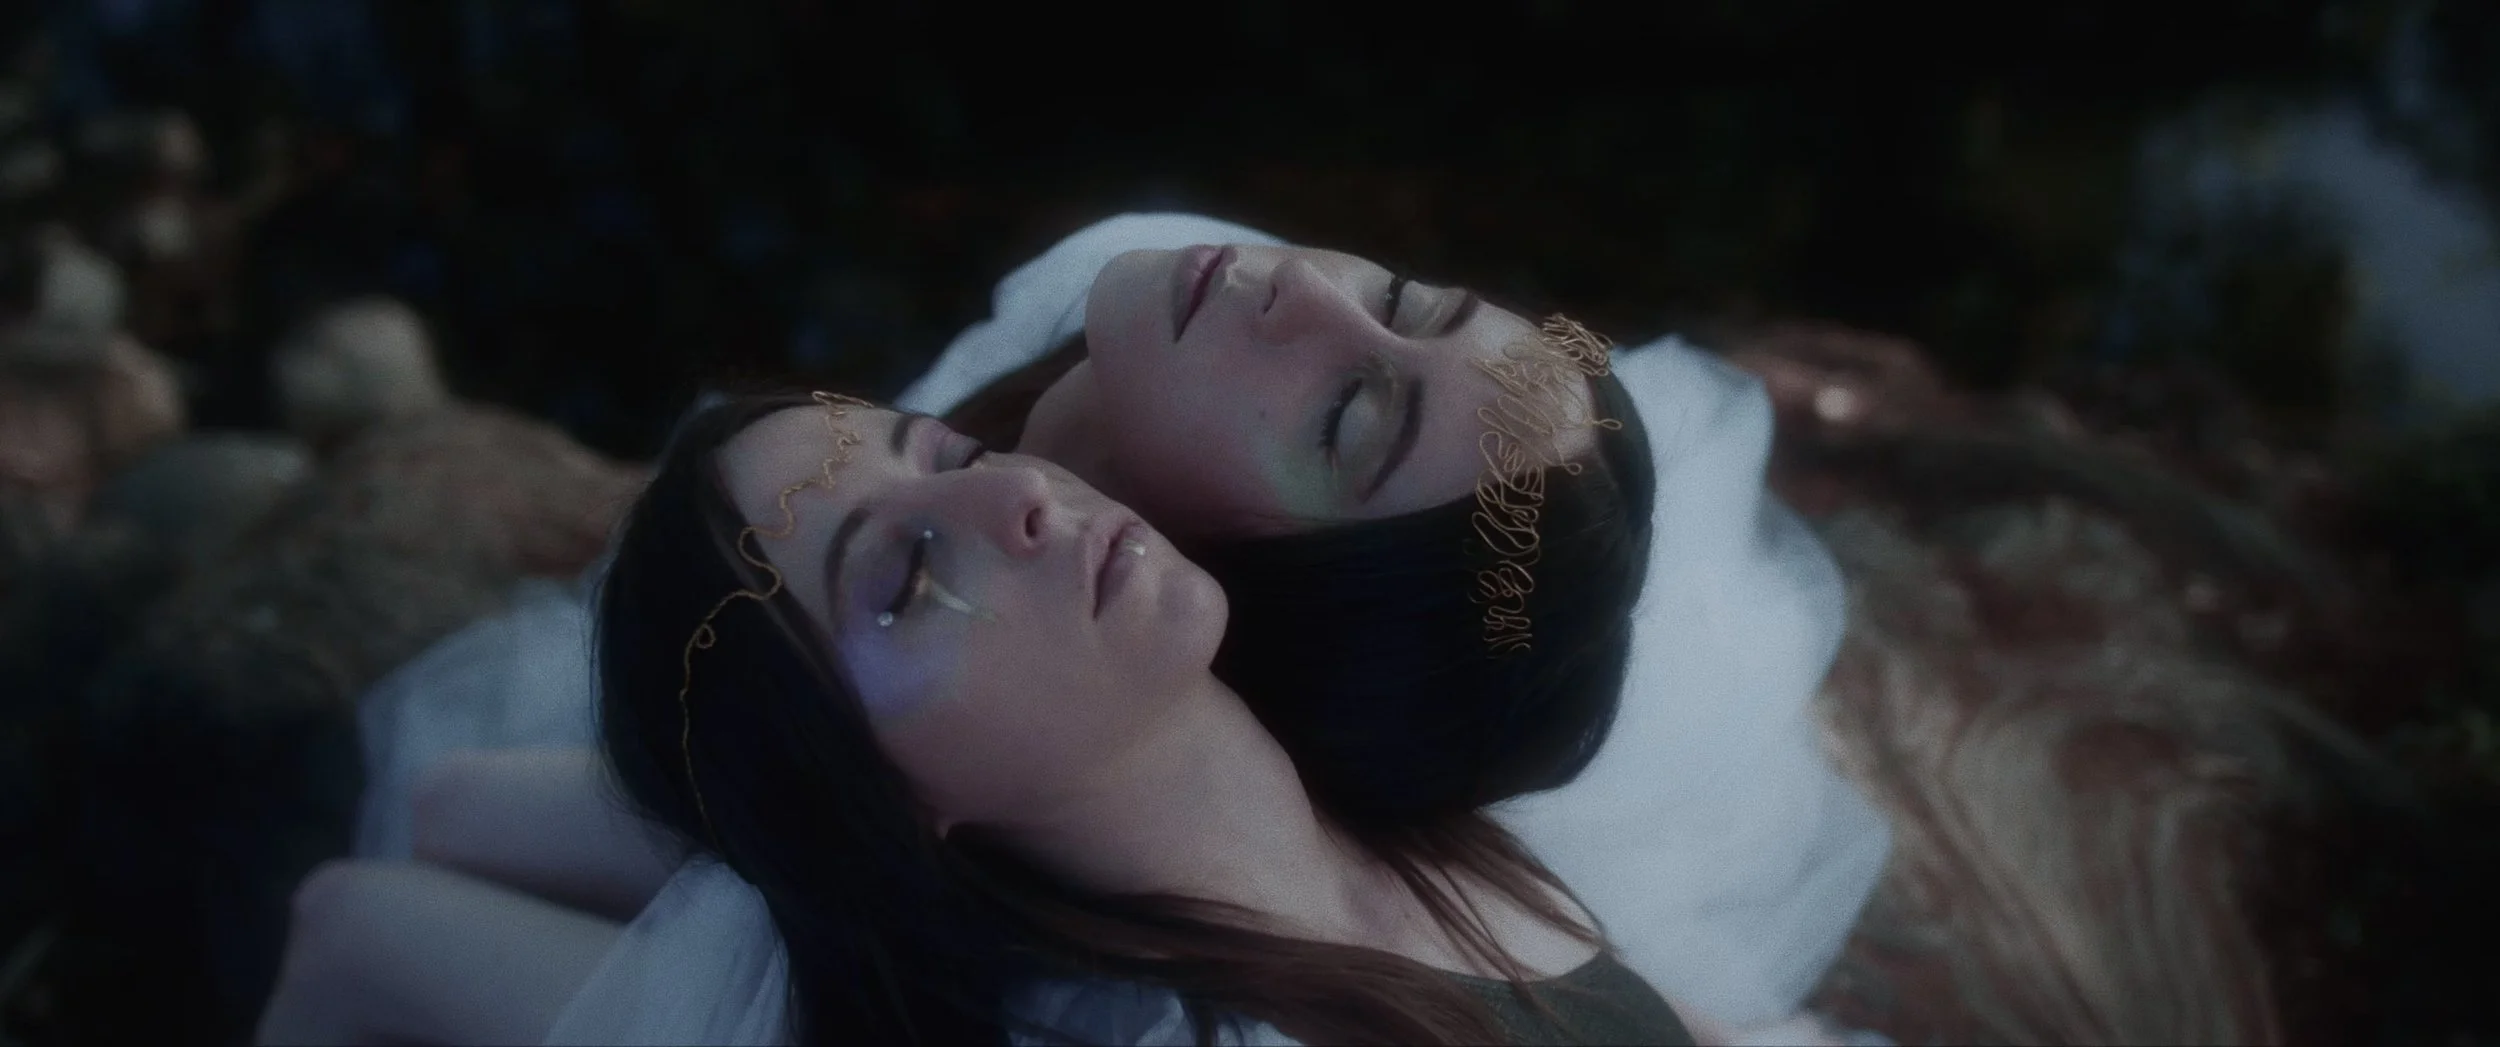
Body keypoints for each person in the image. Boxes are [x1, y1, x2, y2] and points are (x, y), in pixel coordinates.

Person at [355, 212, 1885, 1043]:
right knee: (428, 846)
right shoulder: (1130, 328)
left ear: (1274, 587)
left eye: (1349, 417)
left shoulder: (1363, 846)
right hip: (924, 771)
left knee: (396, 886)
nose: (1305, 292)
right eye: (1407, 299)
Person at [259, 394, 1697, 1046]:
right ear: (888, 792)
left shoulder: (1384, 764)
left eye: (945, 450)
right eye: (909, 575)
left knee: (428, 836)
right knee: (365, 906)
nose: (1020, 493)